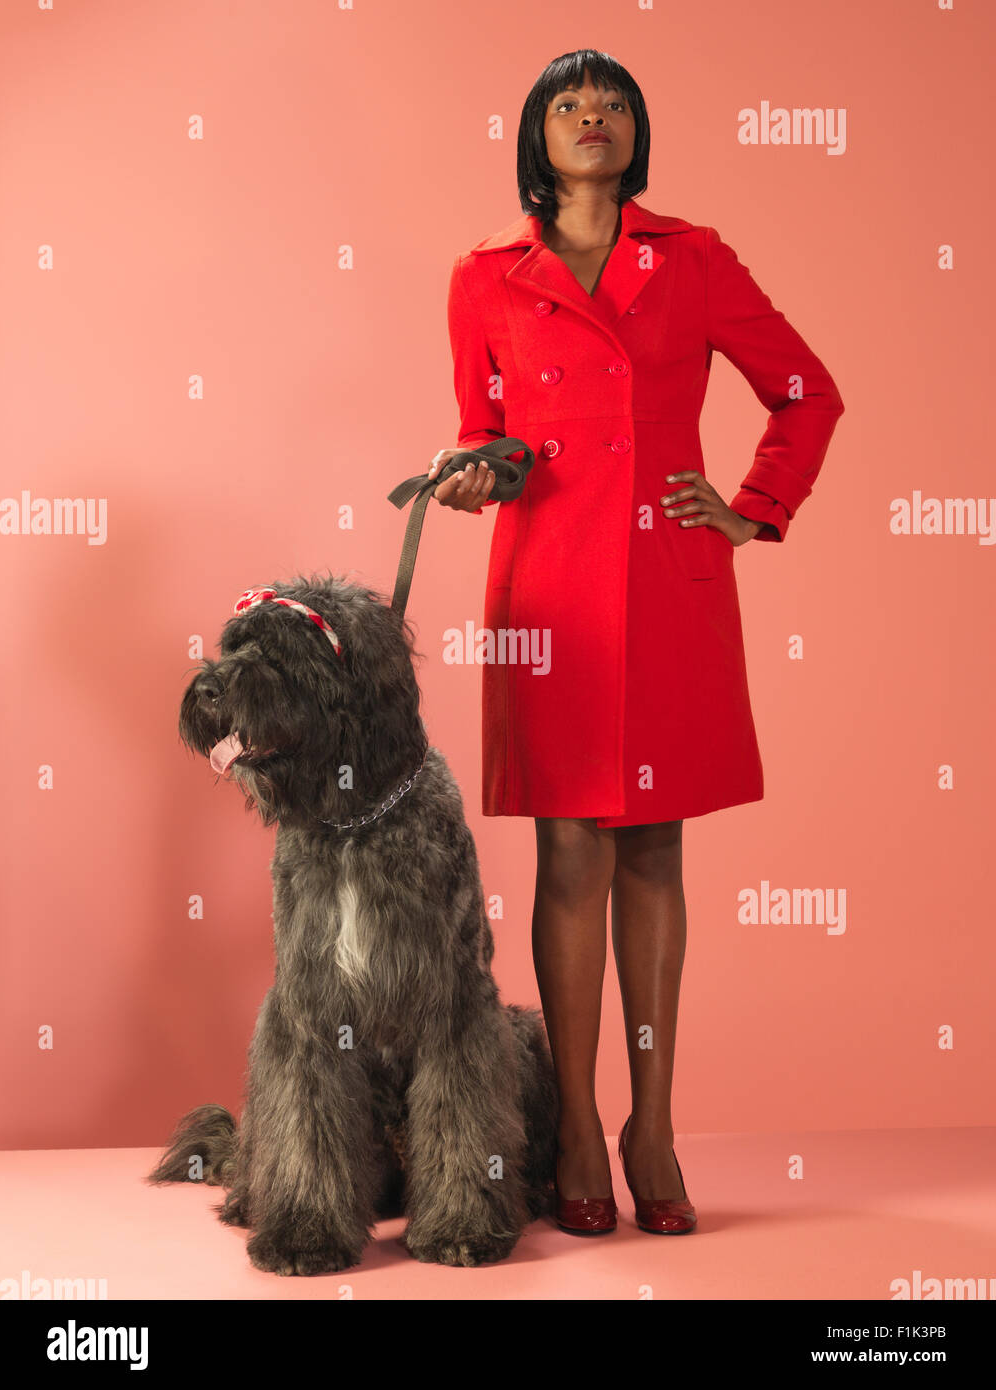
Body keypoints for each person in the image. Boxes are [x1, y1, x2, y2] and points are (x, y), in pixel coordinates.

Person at [429, 49, 844, 1235]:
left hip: (666, 582)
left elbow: (806, 390)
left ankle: (649, 1125)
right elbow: (482, 429)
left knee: (654, 847)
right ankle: (571, 1120)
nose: (593, 115)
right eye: (569, 103)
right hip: (551, 589)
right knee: (570, 851)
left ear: (635, 132)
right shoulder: (482, 276)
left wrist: (755, 507)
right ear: (537, 136)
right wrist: (472, 475)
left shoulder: (694, 258)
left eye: (610, 102)